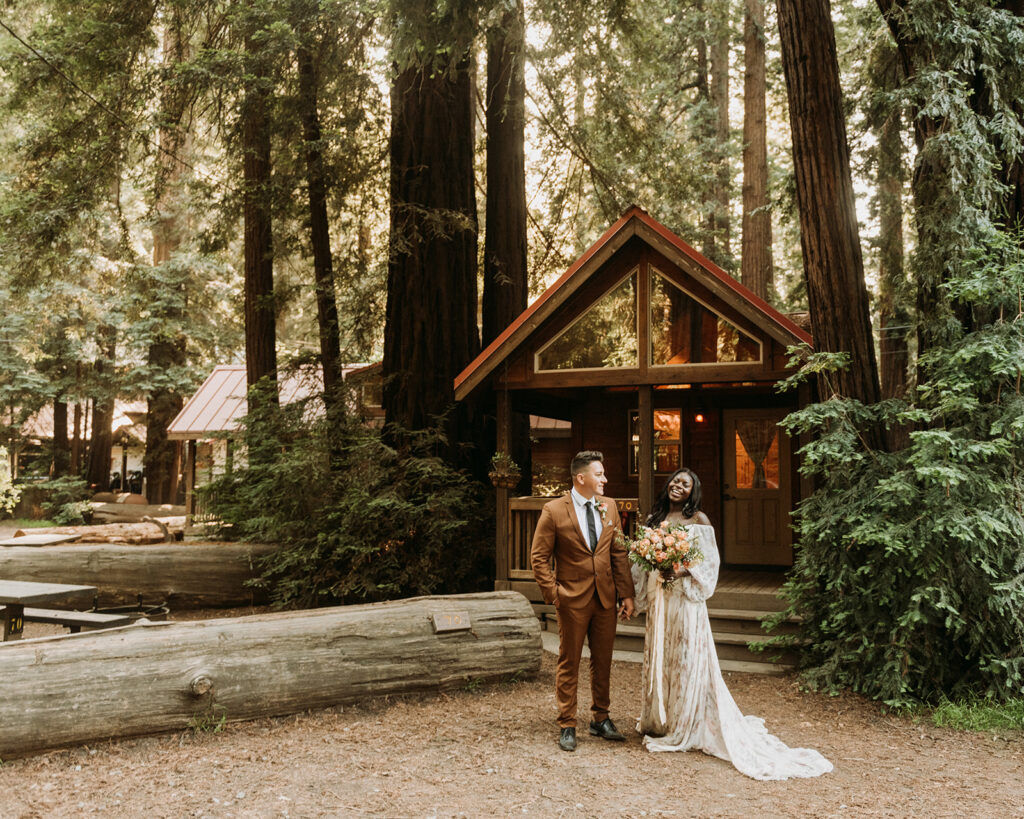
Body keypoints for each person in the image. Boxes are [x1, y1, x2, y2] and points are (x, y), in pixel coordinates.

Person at [632, 467, 833, 780]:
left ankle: (687, 720)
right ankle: (660, 718)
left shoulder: (698, 520)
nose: (677, 485)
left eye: (685, 483)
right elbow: (641, 560)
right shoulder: (653, 519)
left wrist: (682, 572)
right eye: (675, 480)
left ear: (692, 491)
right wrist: (636, 596)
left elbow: (709, 562)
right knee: (661, 654)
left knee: (685, 655)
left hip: (686, 600)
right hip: (661, 597)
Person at [531, 450, 636, 752]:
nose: (605, 479)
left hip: (605, 597)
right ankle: (567, 723)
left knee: (603, 661)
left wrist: (626, 594)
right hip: (571, 599)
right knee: (570, 661)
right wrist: (555, 594)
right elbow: (539, 558)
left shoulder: (610, 506)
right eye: (599, 474)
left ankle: (600, 718)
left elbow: (618, 553)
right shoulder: (553, 510)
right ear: (581, 478)